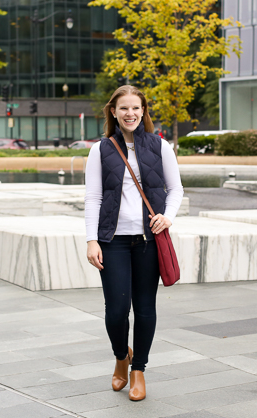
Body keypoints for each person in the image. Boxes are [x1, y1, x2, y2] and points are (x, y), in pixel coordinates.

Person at [85, 85, 184, 401]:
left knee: (144, 309)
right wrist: (91, 239)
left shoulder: (159, 146)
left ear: (144, 112)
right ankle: (120, 356)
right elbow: (93, 197)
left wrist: (167, 217)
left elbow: (176, 189)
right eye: (124, 108)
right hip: (111, 241)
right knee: (115, 311)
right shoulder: (100, 150)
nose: (130, 114)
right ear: (113, 111)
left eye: (136, 108)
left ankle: (138, 368)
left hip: (148, 242)